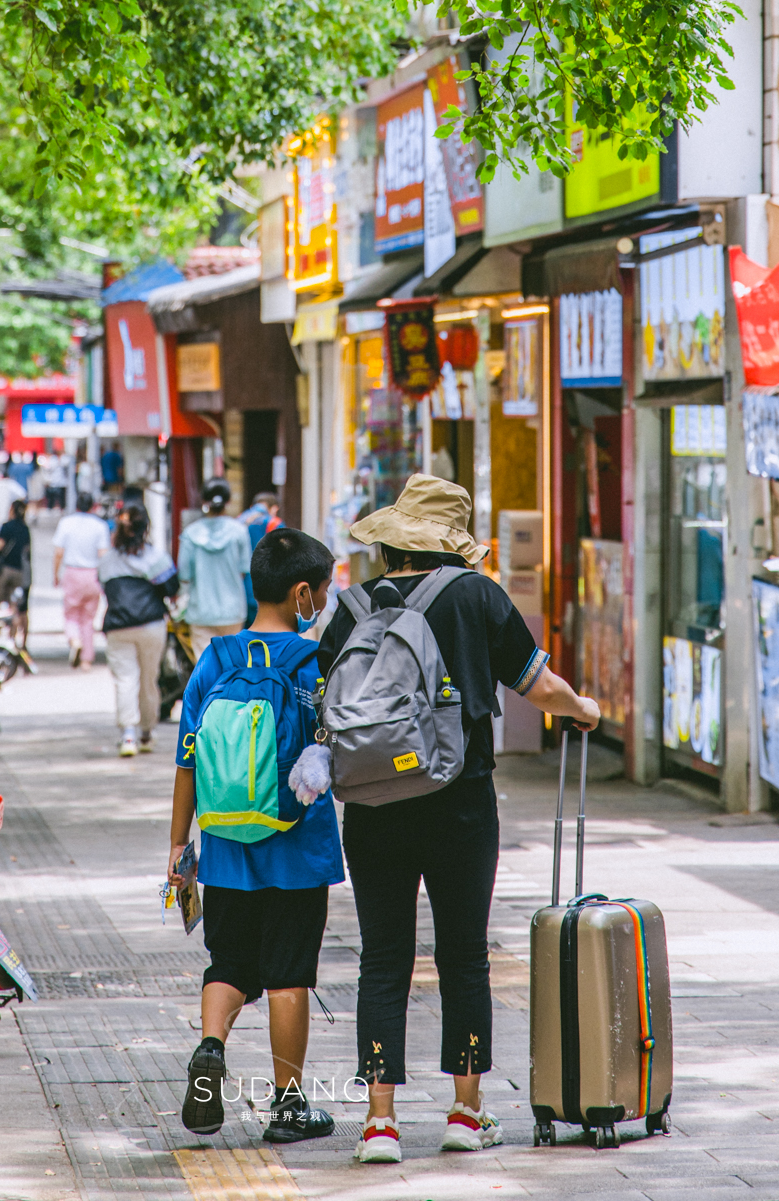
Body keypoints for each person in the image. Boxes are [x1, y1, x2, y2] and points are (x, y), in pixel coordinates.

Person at [317, 474, 600, 1164]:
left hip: (372, 807)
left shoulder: (351, 607)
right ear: (453, 543)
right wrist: (584, 709)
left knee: (383, 958)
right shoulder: (477, 596)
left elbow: (324, 703)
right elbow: (538, 685)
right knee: (464, 955)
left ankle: (380, 1123)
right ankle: (466, 1112)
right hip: (460, 802)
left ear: (392, 541)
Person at [170, 527, 342, 1147]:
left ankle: (212, 1046)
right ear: (301, 594)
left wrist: (178, 847)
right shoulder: (314, 663)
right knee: (289, 975)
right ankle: (289, 1107)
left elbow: (187, 760)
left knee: (230, 962)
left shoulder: (214, 659)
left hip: (224, 846)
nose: (326, 600)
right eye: (323, 590)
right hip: (297, 847)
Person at [100, 504, 178, 757]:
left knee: (125, 680)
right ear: (145, 528)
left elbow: (105, 588)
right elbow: (172, 587)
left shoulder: (107, 560)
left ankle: (128, 736)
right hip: (151, 625)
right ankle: (147, 732)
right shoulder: (156, 557)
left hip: (118, 627)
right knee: (148, 680)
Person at [179, 479, 252, 658]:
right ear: (228, 501)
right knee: (231, 664)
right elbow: (244, 570)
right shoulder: (239, 531)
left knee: (205, 665)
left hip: (200, 611)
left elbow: (184, 575)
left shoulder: (190, 533)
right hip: (233, 611)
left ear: (204, 501)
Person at [53, 490, 111, 669]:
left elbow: (58, 552)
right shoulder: (100, 526)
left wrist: (55, 574)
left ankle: (74, 639)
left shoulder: (66, 523)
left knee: (71, 614)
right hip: (92, 575)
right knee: (88, 618)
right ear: (93, 506)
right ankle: (87, 659)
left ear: (76, 505)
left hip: (72, 572)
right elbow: (103, 554)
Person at [0, 498, 32, 633]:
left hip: (4, 570)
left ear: (12, 510)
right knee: (14, 605)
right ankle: (12, 635)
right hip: (18, 571)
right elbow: (27, 552)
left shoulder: (7, 526)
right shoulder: (25, 529)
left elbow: (0, 545)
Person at [240, 491, 282, 628]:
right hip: (266, 586)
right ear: (274, 508)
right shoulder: (274, 523)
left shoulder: (237, 522)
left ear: (252, 506)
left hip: (238, 587)